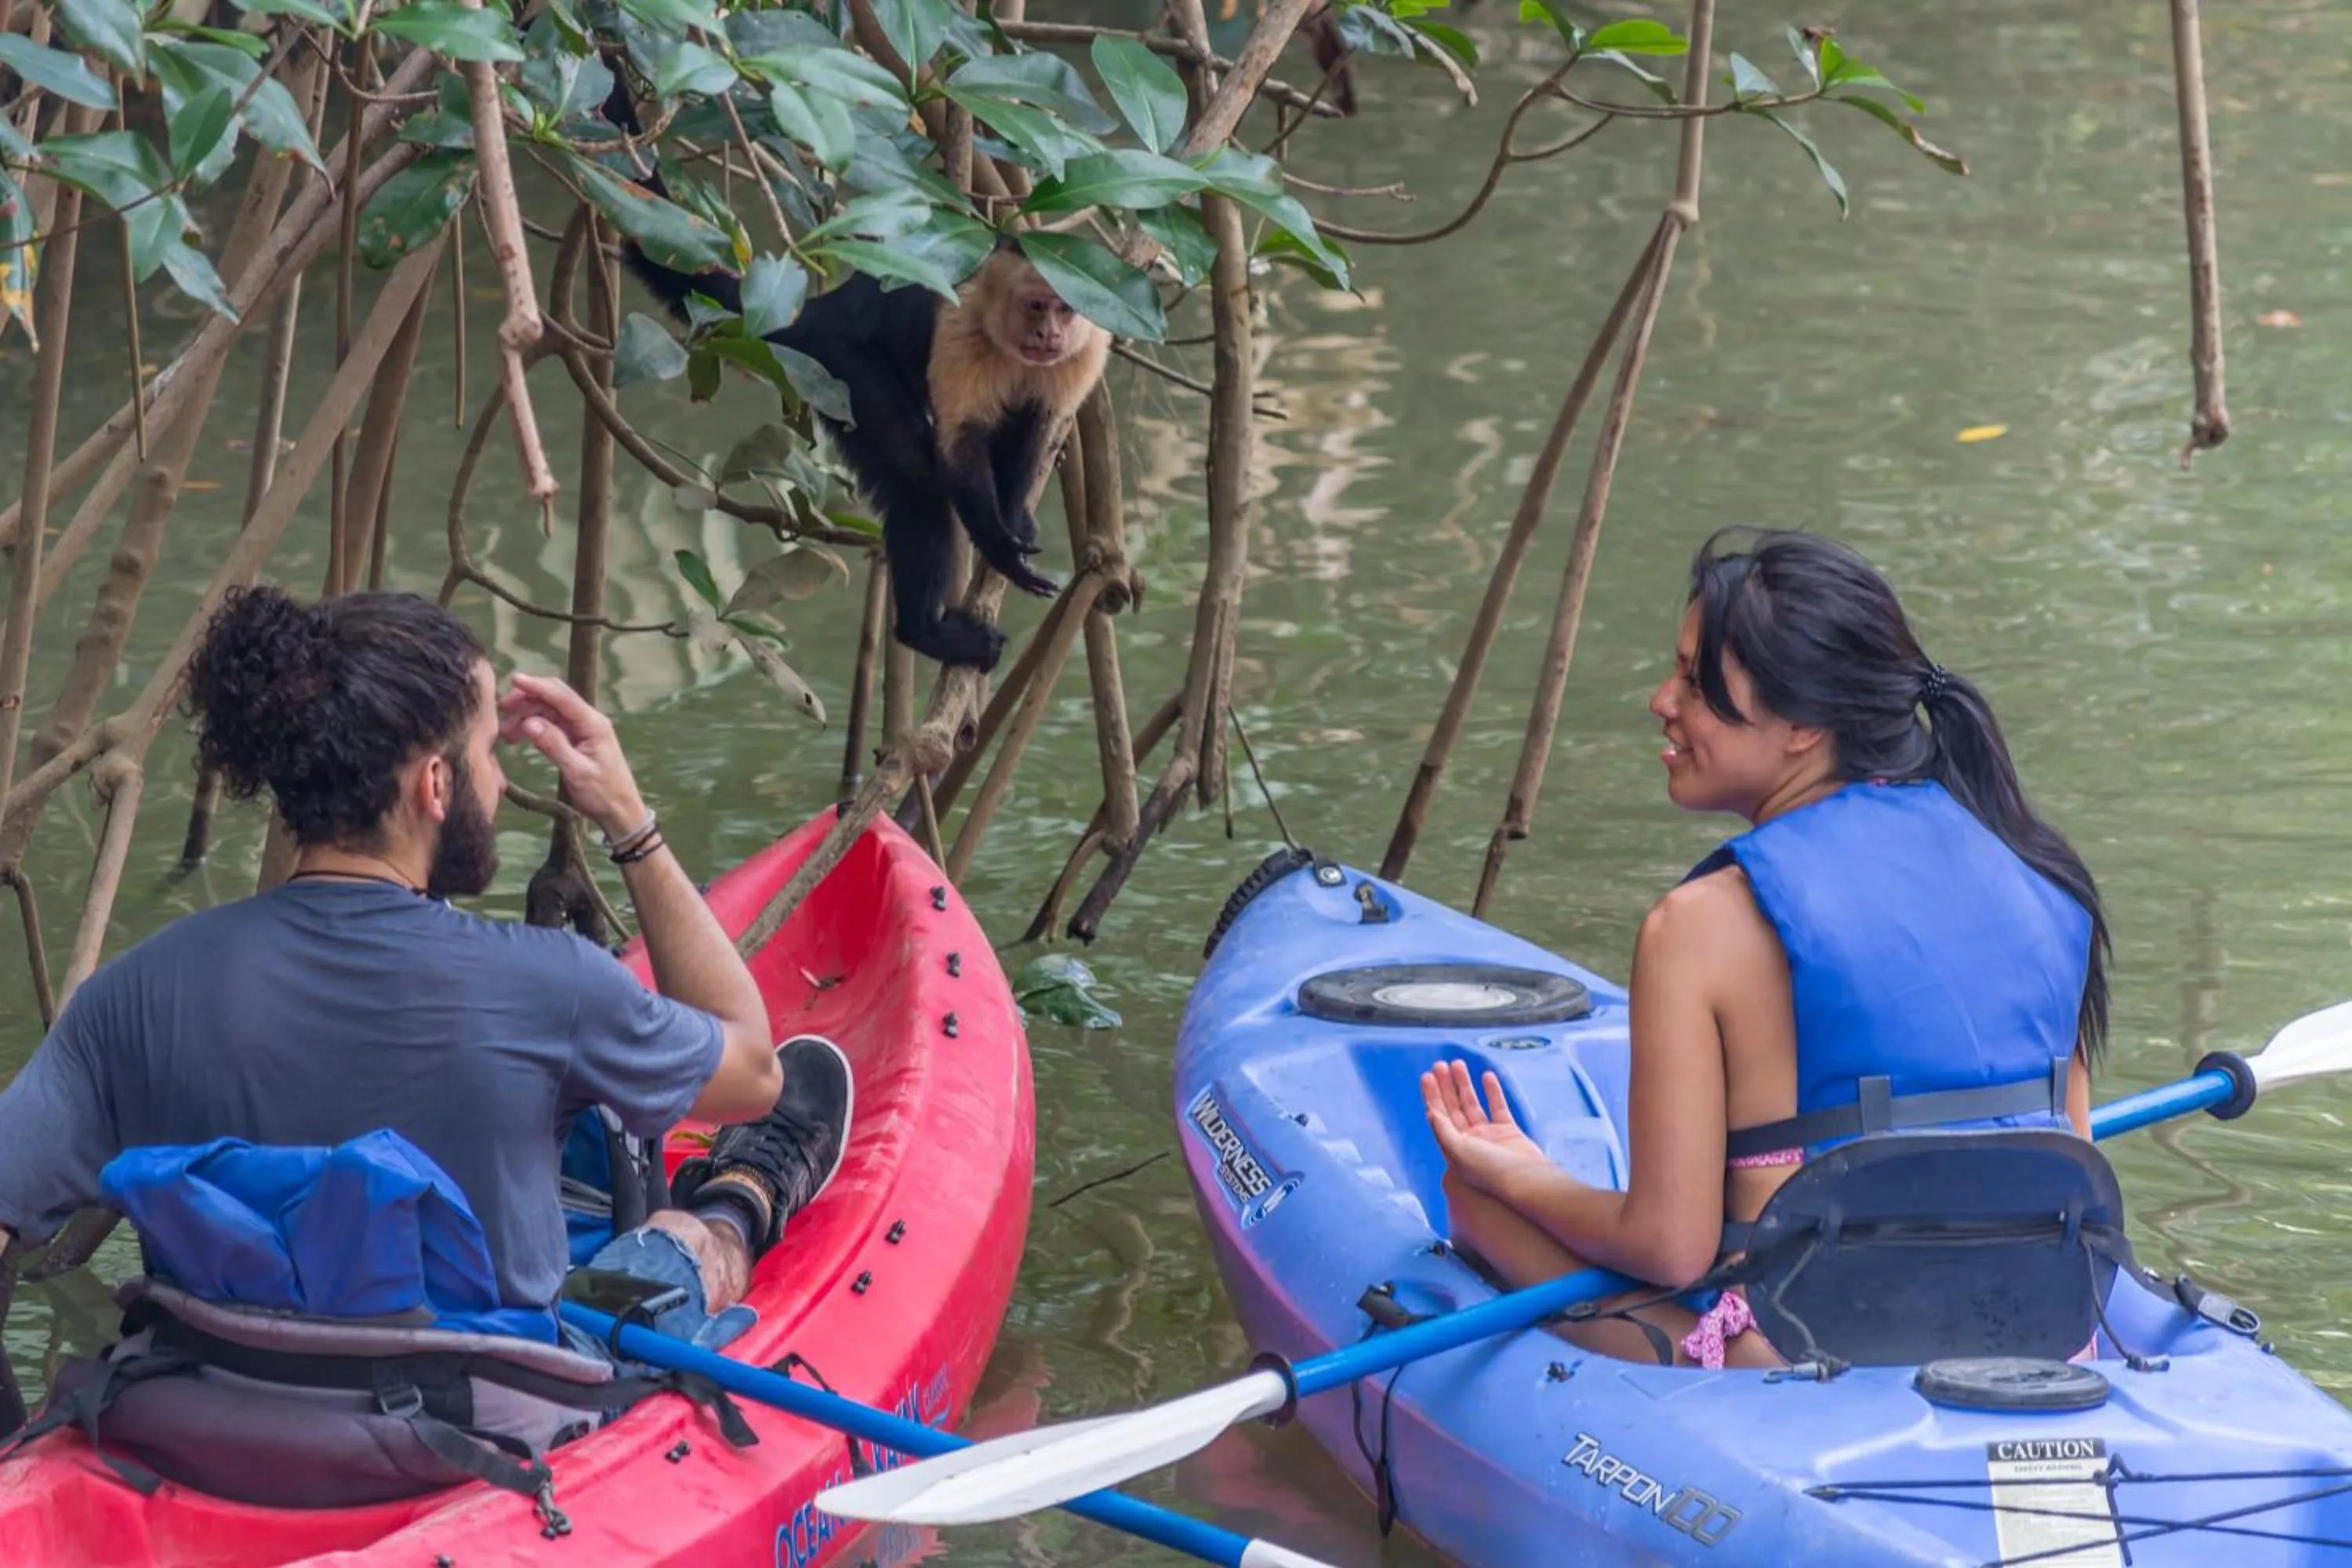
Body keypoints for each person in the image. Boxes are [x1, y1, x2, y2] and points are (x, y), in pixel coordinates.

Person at [0, 584, 851, 1365]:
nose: (500, 781)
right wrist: (629, 822)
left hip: (211, 1417)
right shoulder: (552, 985)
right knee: (675, 1242)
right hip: (479, 1431)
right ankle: (737, 1200)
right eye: (487, 753)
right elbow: (754, 1071)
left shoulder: (134, 996)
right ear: (435, 784)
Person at [1423, 528, 2109, 1370]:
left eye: (1695, 681)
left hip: (1801, 1358)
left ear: (1805, 724)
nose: (1662, 700)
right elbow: (2077, 1174)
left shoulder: (1698, 926)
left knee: (1475, 1204)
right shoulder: (2041, 872)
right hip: (2048, 1341)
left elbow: (1670, 1247)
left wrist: (1517, 1173)